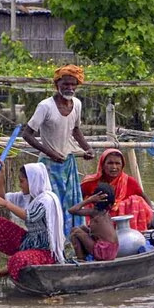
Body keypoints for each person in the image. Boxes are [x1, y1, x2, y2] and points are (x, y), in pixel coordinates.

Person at [20, 64, 94, 237]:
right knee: (52, 205)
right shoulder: (45, 106)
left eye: (72, 84)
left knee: (71, 203)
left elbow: (75, 130)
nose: (69, 88)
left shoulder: (76, 104)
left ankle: (71, 240)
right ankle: (51, 241)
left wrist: (87, 148)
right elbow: (27, 134)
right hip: (48, 165)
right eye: (65, 84)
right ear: (57, 85)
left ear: (77, 85)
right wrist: (51, 153)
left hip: (68, 164)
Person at [0, 162, 66, 280]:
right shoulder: (28, 196)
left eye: (22, 181)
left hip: (46, 251)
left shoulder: (47, 199)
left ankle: (14, 262)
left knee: (18, 259)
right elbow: (2, 198)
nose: (20, 185)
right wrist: (0, 176)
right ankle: (19, 257)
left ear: (33, 181)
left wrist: (6, 204)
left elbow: (30, 216)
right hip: (29, 243)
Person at [81, 148, 154, 232]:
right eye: (110, 163)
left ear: (122, 165)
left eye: (117, 163)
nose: (114, 167)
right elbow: (77, 201)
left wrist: (151, 213)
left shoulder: (129, 181)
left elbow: (143, 197)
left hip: (124, 224)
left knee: (136, 200)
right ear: (103, 164)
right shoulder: (90, 182)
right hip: (98, 221)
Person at [67, 184, 119, 262]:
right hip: (113, 250)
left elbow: (71, 210)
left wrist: (89, 200)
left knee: (75, 231)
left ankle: (81, 260)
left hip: (104, 252)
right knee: (83, 228)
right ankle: (84, 256)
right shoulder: (107, 212)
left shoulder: (94, 212)